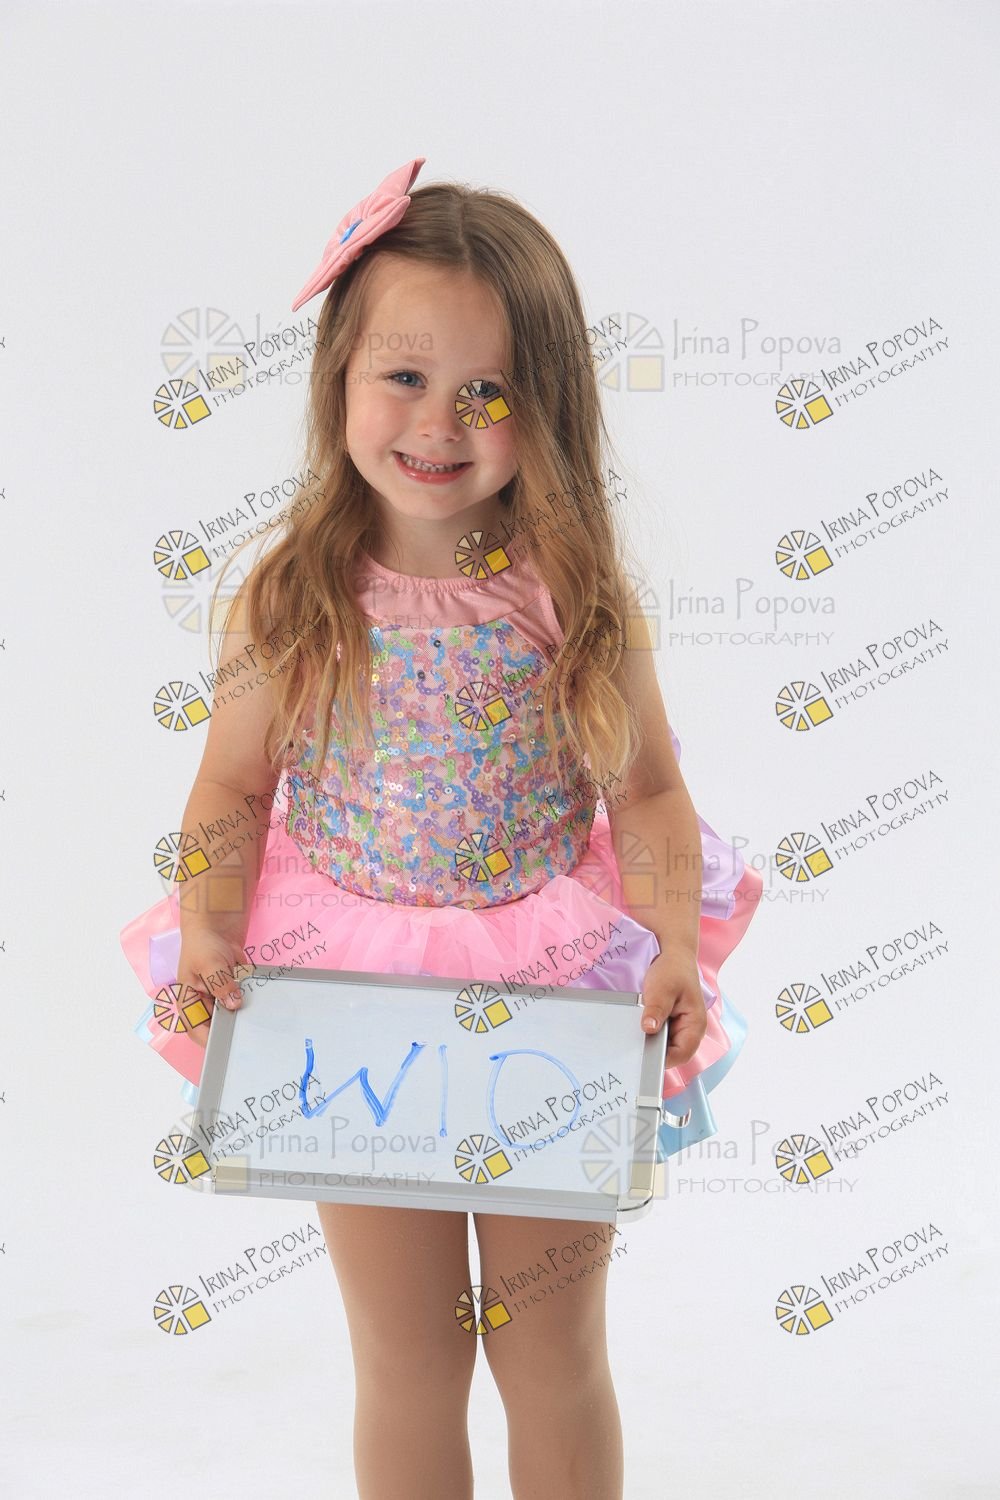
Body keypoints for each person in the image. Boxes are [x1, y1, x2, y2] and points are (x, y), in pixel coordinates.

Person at [120, 156, 763, 1500]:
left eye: (489, 391)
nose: (439, 422)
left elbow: (646, 790)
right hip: (352, 1010)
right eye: (404, 376)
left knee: (551, 1352)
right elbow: (231, 790)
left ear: (547, 405)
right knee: (409, 1358)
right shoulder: (292, 599)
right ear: (338, 381)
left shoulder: (572, 592)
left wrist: (668, 946)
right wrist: (211, 927)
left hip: (549, 1000)